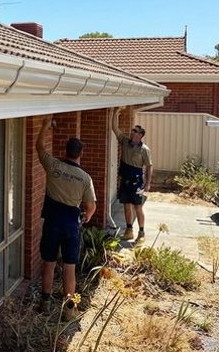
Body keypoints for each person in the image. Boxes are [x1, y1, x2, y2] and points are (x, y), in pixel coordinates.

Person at [35, 116, 96, 320]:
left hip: (53, 221)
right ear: (80, 154)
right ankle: (70, 308)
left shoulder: (54, 166)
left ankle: (45, 302)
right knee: (69, 266)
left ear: (65, 151)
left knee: (49, 263)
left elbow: (40, 148)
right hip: (71, 224)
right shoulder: (85, 178)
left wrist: (44, 126)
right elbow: (91, 206)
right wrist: (86, 217)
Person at [111, 107, 153, 244]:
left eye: (135, 132)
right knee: (126, 205)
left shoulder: (144, 150)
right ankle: (129, 231)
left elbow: (149, 166)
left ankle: (141, 232)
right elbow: (114, 128)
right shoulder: (124, 141)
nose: (132, 134)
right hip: (125, 180)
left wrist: (147, 183)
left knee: (138, 207)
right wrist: (115, 113)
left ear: (140, 135)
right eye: (132, 131)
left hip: (137, 182)